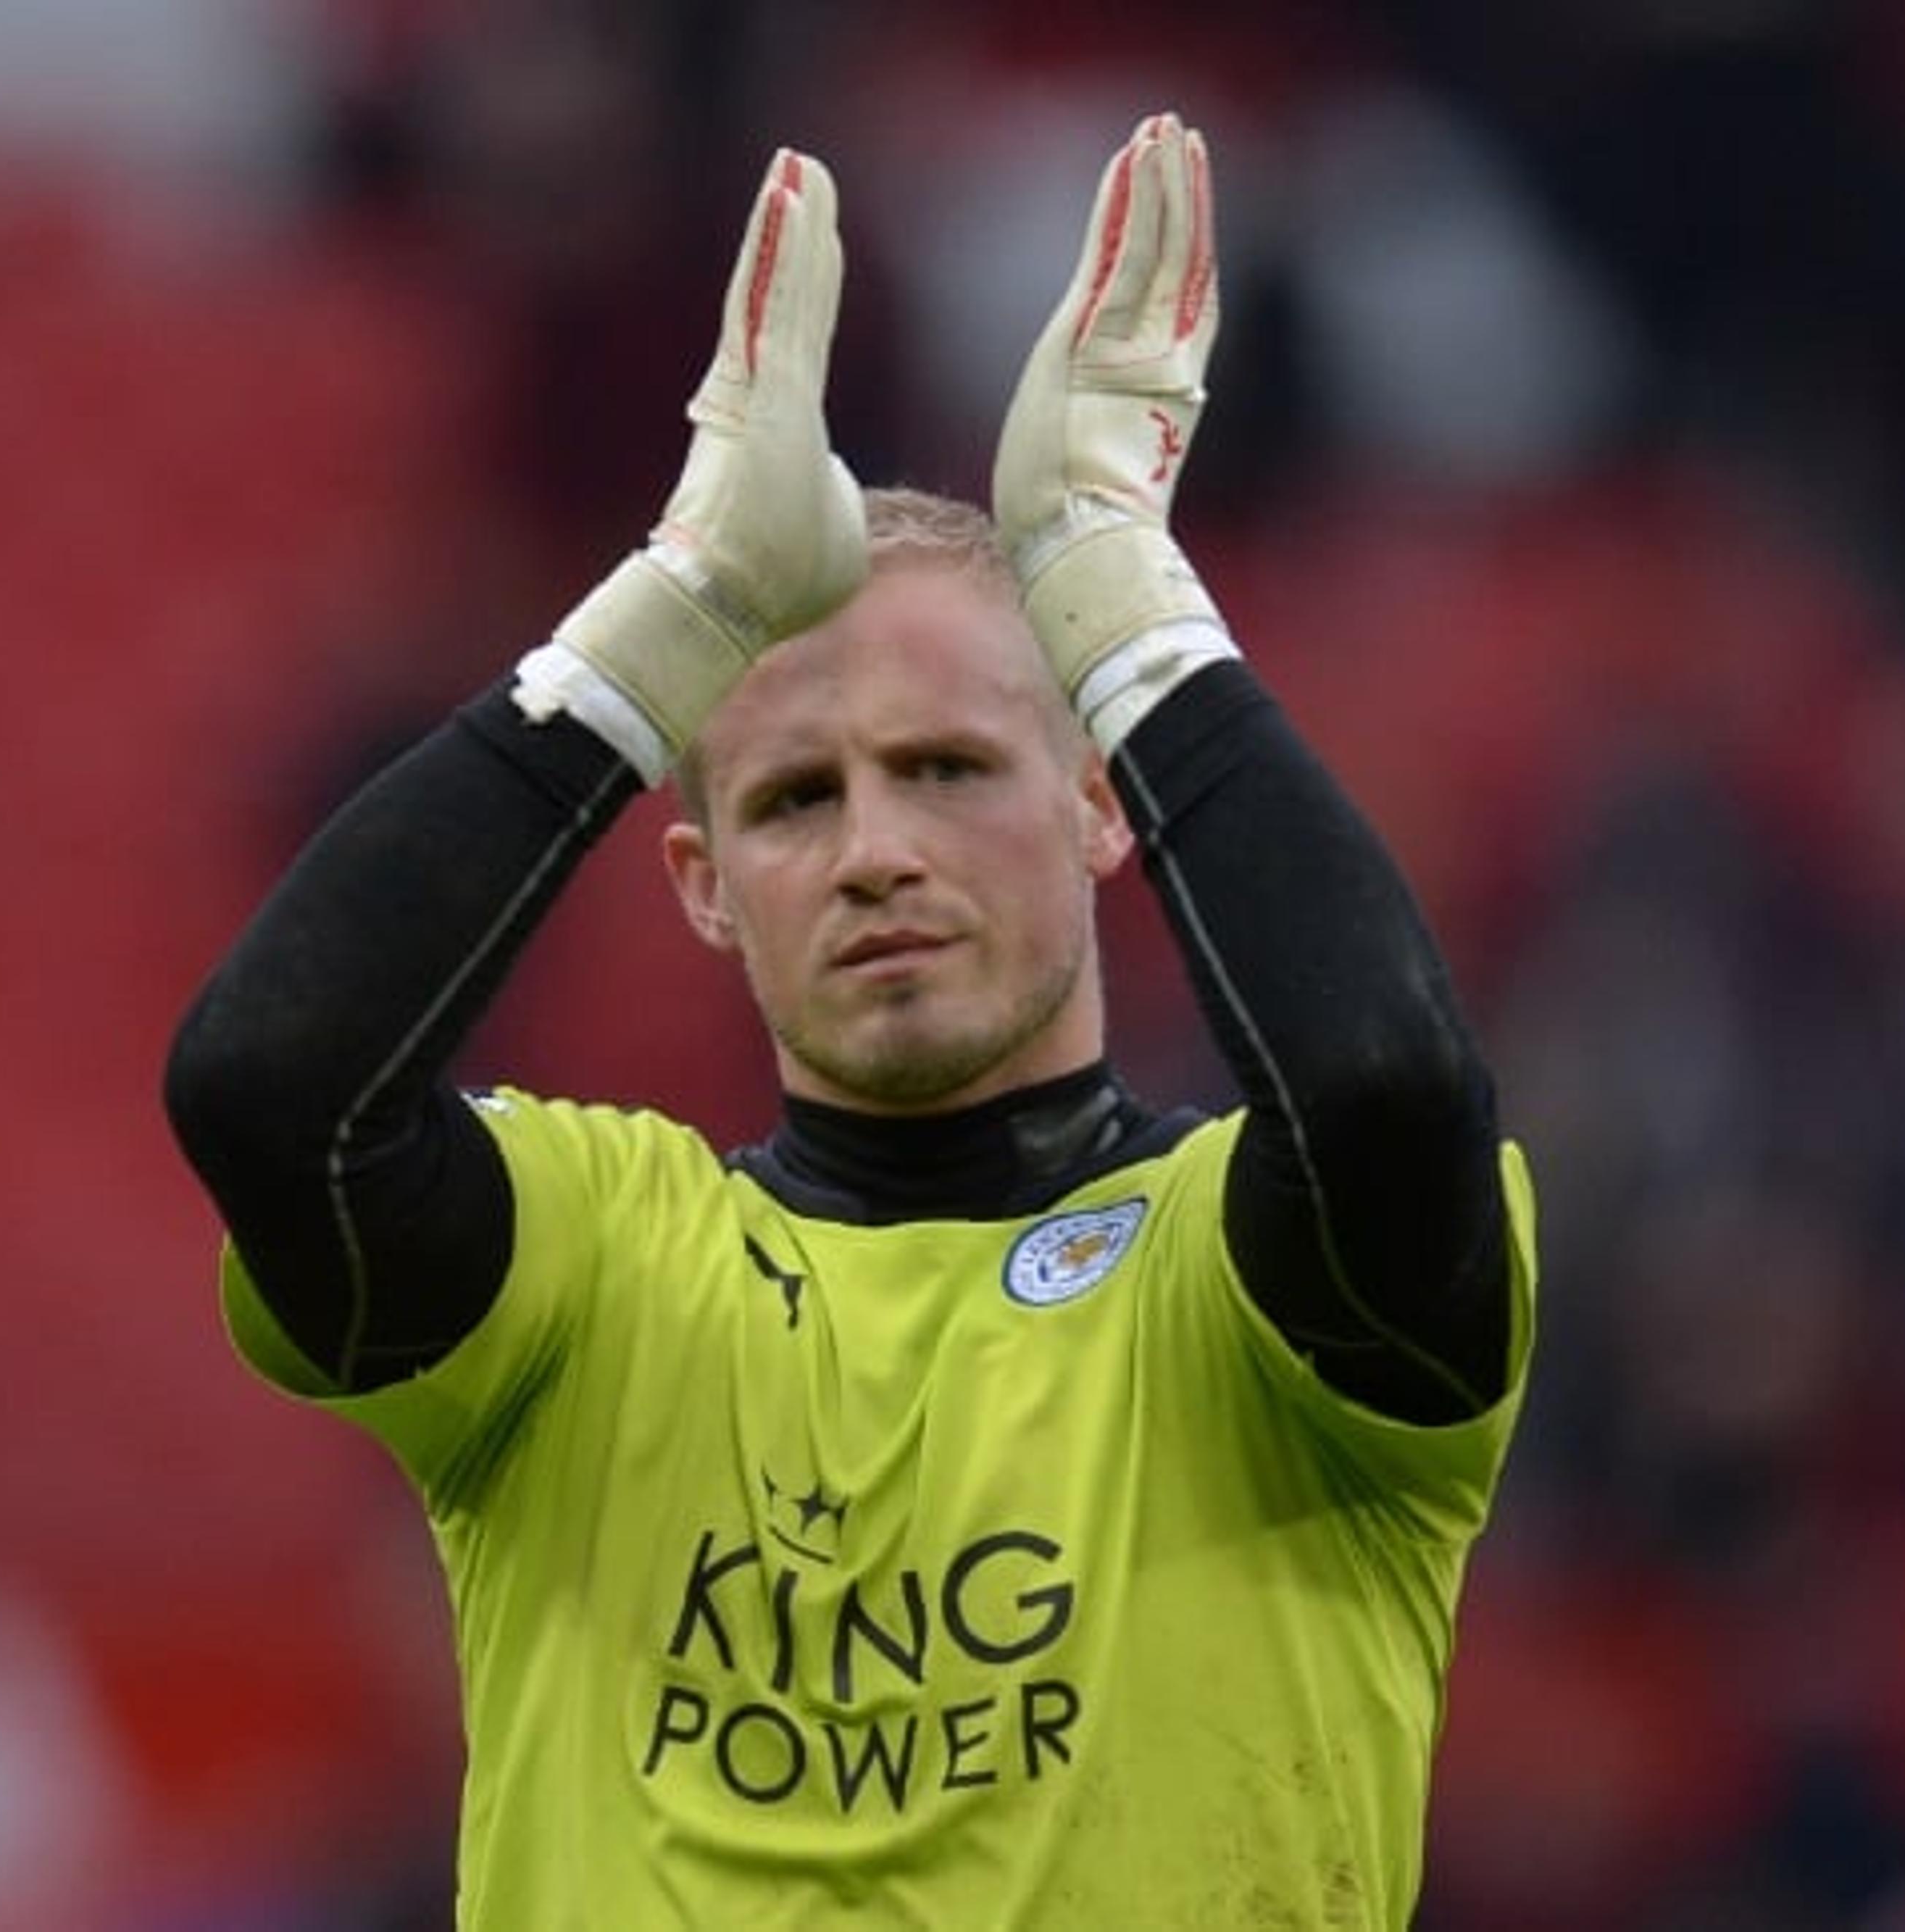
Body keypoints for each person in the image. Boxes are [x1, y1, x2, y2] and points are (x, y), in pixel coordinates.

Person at [164, 112, 1537, 1928]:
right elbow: (272, 1094)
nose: (877, 847)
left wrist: (1118, 588)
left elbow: (1377, 1082)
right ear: (704, 883)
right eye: (798, 799)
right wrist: (673, 620)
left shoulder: (1238, 1278)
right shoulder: (598, 1273)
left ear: (1106, 805)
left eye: (953, 766)